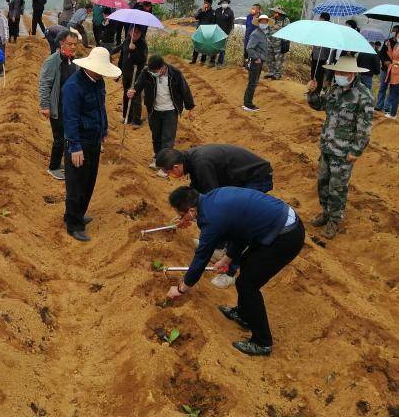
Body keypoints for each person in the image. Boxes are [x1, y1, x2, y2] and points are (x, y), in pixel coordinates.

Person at [165, 185, 304, 356]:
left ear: (192, 211)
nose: (182, 218)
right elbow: (240, 230)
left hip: (285, 236)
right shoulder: (213, 197)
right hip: (276, 224)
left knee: (248, 285)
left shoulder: (211, 219)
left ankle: (262, 343)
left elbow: (200, 258)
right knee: (246, 263)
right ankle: (244, 315)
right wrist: (227, 258)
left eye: (181, 215)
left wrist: (181, 288)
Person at [158, 144, 275, 289]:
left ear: (176, 167)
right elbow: (197, 191)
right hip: (238, 177)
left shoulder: (201, 164)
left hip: (256, 177)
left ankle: (230, 273)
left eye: (169, 172)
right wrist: (185, 215)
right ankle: (219, 249)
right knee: (226, 216)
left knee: (237, 222)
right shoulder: (190, 159)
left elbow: (212, 205)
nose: (171, 176)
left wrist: (196, 221)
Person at [306, 55, 374, 239]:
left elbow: (365, 128)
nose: (339, 75)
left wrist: (356, 151)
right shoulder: (334, 89)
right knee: (323, 182)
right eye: (337, 72)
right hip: (327, 146)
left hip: (344, 152)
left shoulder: (363, 96)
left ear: (352, 73)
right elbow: (320, 105)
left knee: (338, 187)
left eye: (343, 72)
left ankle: (334, 220)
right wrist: (312, 93)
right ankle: (325, 212)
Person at [62, 47, 121, 242]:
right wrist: (75, 146)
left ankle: (78, 214)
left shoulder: (98, 82)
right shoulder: (73, 87)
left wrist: (103, 129)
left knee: (89, 182)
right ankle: (73, 224)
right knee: (76, 184)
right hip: (80, 142)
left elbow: (100, 108)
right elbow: (70, 118)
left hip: (94, 139)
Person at [128, 55, 195, 175]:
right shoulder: (147, 72)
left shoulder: (175, 73)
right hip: (154, 109)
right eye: (151, 70)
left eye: (155, 71)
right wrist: (132, 92)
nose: (153, 73)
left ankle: (166, 167)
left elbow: (185, 90)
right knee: (156, 136)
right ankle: (158, 158)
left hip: (170, 110)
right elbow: (138, 86)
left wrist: (190, 109)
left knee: (167, 138)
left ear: (162, 67)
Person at [39, 30, 80, 180]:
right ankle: (53, 167)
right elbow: (44, 84)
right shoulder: (53, 61)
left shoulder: (73, 61)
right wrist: (45, 106)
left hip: (69, 106)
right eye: (70, 44)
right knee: (59, 138)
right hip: (57, 105)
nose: (73, 47)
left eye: (75, 45)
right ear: (62, 43)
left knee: (67, 135)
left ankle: (60, 162)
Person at [111, 26, 147, 126]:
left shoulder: (142, 44)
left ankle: (136, 120)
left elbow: (142, 60)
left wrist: (134, 50)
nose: (134, 34)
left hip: (136, 74)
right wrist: (108, 51)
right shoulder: (127, 41)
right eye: (133, 31)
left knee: (135, 96)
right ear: (130, 31)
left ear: (141, 34)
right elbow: (119, 50)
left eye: (137, 32)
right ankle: (127, 117)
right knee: (126, 95)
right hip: (126, 74)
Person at [243, 14, 269, 112]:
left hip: (259, 61)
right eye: (262, 21)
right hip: (255, 62)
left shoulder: (263, 33)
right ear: (258, 23)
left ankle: (247, 102)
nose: (264, 23)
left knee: (253, 82)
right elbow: (249, 48)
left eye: (265, 22)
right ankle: (248, 104)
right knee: (252, 83)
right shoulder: (256, 33)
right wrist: (256, 57)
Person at [375, 25, 399, 113]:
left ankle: (387, 107)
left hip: (396, 70)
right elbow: (381, 54)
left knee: (392, 89)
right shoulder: (388, 41)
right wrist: (385, 61)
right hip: (385, 69)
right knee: (382, 88)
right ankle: (379, 106)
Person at [264, 7, 290, 80]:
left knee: (278, 60)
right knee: (269, 58)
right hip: (270, 42)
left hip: (279, 44)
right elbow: (267, 28)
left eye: (275, 12)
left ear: (278, 13)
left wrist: (277, 27)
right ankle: (271, 72)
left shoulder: (285, 20)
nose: (273, 13)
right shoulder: (271, 19)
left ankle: (277, 74)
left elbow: (287, 30)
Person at [310, 13, 332, 94]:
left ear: (323, 19)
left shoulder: (330, 29)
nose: (319, 20)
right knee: (313, 72)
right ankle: (312, 89)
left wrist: (320, 45)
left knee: (319, 74)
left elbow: (329, 42)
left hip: (322, 55)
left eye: (320, 18)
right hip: (316, 53)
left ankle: (317, 91)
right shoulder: (319, 27)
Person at [191, 0, 216, 65]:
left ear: (209, 4)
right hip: (199, 30)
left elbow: (213, 22)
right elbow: (196, 17)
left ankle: (202, 61)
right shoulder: (201, 10)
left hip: (207, 31)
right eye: (204, 2)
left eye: (206, 3)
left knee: (204, 46)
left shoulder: (213, 12)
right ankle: (194, 59)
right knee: (197, 45)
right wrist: (201, 11)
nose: (204, 4)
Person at [214, 0, 234, 66]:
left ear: (227, 3)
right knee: (214, 46)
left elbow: (231, 24)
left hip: (224, 33)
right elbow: (214, 21)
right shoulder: (217, 11)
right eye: (223, 2)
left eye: (226, 2)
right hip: (216, 32)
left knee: (222, 48)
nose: (224, 3)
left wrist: (227, 34)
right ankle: (212, 61)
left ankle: (220, 63)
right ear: (221, 3)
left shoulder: (230, 12)